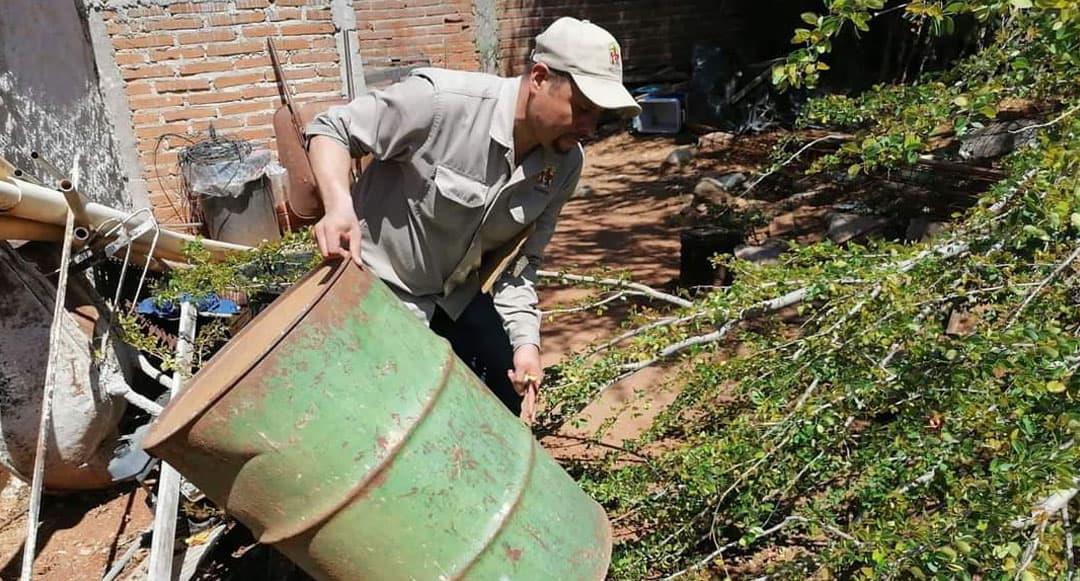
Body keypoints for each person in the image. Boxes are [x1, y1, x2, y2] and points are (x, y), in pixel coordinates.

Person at [304, 17, 641, 417]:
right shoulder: (440, 103)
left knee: (507, 399)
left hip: (454, 299)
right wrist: (339, 204)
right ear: (539, 77)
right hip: (379, 291)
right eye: (582, 109)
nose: (589, 128)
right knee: (402, 417)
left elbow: (522, 266)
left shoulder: (565, 164)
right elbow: (332, 129)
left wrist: (527, 346)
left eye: (598, 115)